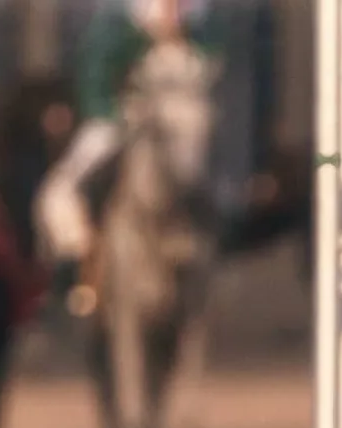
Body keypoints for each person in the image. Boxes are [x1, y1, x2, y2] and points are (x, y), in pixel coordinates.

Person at [34, 0, 222, 275]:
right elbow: (94, 78)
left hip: (186, 124)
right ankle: (78, 271)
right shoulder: (118, 18)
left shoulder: (204, 20)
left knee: (212, 186)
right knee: (60, 192)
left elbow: (214, 66)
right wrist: (115, 113)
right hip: (123, 119)